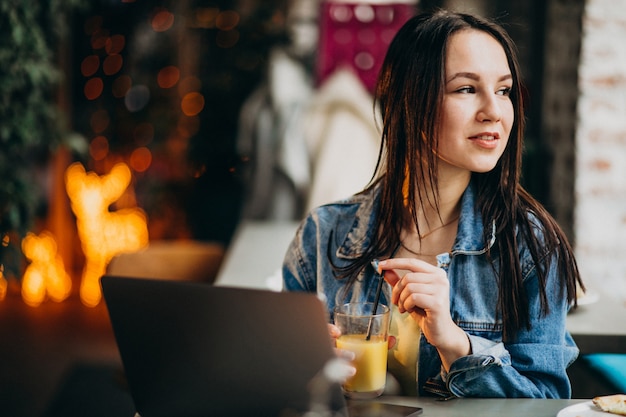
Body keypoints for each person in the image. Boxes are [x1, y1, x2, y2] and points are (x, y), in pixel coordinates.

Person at [282, 9, 584, 399]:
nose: (494, 111)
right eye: (466, 89)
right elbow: (278, 390)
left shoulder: (531, 245)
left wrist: (455, 344)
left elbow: (547, 402)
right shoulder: (323, 235)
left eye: (504, 90)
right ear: (408, 99)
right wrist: (301, 365)